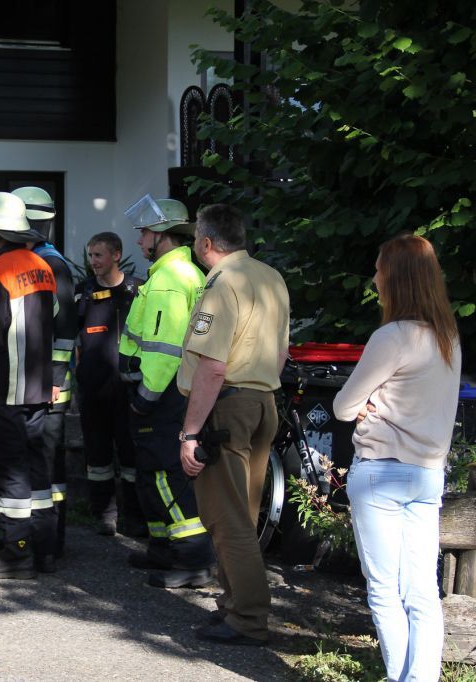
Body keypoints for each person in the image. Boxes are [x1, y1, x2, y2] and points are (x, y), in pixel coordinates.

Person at [332, 235, 461, 681]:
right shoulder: (448, 337)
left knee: (385, 591)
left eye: (379, 268)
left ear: (397, 278)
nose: (374, 276)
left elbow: (343, 407)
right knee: (422, 592)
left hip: (381, 474)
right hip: (427, 475)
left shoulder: (391, 336)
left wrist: (369, 405)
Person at [178, 203, 289, 646]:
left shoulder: (222, 285)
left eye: (194, 240)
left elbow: (212, 366)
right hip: (263, 400)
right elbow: (281, 350)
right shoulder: (271, 277)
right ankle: (234, 607)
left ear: (206, 243)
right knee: (244, 512)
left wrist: (189, 432)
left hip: (227, 406)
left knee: (229, 520)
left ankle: (246, 617)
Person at [119, 197, 214, 589]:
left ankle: (192, 558)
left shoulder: (170, 280)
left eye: (144, 232)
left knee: (163, 472)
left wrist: (146, 396)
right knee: (150, 471)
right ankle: (163, 547)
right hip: (169, 391)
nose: (140, 240)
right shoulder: (174, 274)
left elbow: (164, 349)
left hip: (162, 394)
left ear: (160, 235)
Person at [0, 191, 58, 578]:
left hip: (4, 392)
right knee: (37, 474)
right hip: (37, 390)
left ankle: (15, 555)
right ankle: (43, 550)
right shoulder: (43, 266)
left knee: (8, 476)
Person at [11, 186, 77, 556]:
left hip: (49, 389)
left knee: (47, 467)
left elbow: (66, 329)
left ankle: (49, 543)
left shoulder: (51, 264)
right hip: (36, 385)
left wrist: (54, 378)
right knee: (36, 464)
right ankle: (39, 539)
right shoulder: (38, 260)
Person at [74, 232, 142, 537]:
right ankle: (104, 514)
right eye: (90, 256)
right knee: (97, 457)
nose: (93, 262)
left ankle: (135, 517)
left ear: (116, 255)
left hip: (130, 390)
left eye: (98, 255)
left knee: (132, 457)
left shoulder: (138, 291)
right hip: (93, 389)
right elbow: (71, 338)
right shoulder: (83, 293)